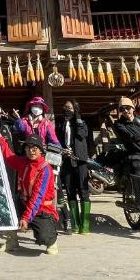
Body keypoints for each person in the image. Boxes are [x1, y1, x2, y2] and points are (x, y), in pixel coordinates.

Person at [0, 133, 59, 255]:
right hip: (24, 203)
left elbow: (37, 197)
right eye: (28, 148)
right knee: (5, 205)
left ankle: (52, 240)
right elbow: (9, 157)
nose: (31, 151)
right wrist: (1, 139)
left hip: (42, 209)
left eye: (35, 148)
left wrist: (25, 218)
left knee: (43, 237)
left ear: (40, 150)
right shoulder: (22, 162)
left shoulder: (45, 169)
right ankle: (12, 240)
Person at [57, 100, 95, 234]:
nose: (67, 109)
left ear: (76, 109)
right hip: (66, 161)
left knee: (83, 191)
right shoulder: (61, 123)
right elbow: (58, 140)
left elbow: (82, 134)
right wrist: (62, 151)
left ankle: (85, 225)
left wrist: (78, 117)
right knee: (70, 191)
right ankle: (75, 224)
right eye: (65, 107)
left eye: (70, 107)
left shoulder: (81, 123)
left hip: (80, 161)